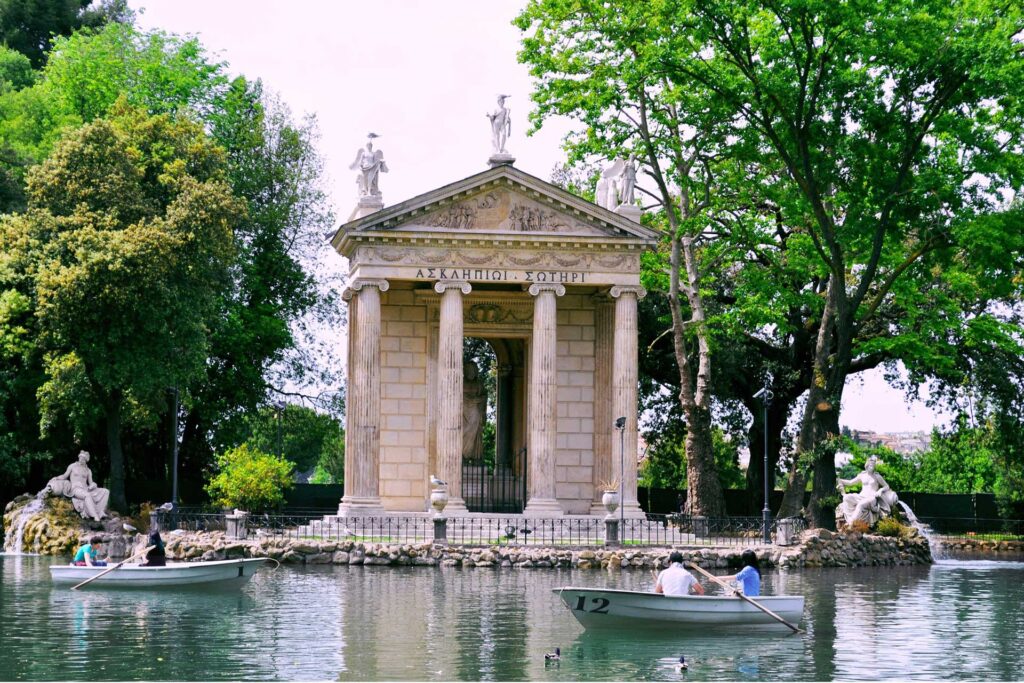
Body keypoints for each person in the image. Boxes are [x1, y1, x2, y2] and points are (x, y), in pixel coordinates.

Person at [43, 450, 110, 521]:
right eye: (80, 458)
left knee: (106, 491)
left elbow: (91, 483)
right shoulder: (72, 466)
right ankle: (95, 516)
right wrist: (56, 478)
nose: (81, 460)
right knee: (87, 495)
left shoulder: (88, 470)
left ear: (86, 460)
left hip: (86, 488)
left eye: (83, 459)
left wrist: (93, 485)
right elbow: (64, 476)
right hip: (75, 488)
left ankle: (101, 512)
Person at [836, 455, 900, 527]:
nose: (872, 467)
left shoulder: (877, 476)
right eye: (871, 465)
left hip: (871, 498)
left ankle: (851, 523)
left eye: (873, 465)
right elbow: (850, 482)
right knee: (846, 498)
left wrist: (880, 490)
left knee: (861, 504)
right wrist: (840, 480)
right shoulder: (862, 475)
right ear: (867, 465)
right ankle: (849, 519)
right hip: (861, 496)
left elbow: (887, 486)